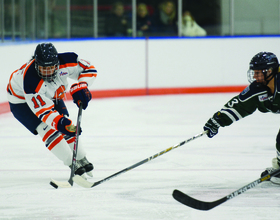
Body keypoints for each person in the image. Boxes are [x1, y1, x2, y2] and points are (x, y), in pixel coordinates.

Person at [7, 42, 97, 178]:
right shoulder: (31, 81)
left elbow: (89, 69)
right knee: (47, 128)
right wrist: (60, 123)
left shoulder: (66, 61)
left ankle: (81, 158)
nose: (48, 72)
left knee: (67, 125)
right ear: (36, 64)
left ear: (57, 62)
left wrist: (81, 85)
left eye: (51, 67)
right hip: (21, 102)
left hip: (50, 93)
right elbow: (44, 112)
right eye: (44, 68)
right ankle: (71, 163)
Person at [203, 52, 280, 182]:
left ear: (270, 71)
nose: (255, 76)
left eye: (258, 72)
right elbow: (240, 105)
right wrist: (218, 120)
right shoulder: (258, 88)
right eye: (254, 72)